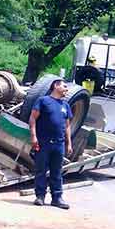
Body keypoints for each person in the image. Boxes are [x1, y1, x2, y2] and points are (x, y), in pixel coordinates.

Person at [29, 78, 73, 210]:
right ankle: (40, 196)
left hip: (59, 144)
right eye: (64, 86)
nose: (67, 89)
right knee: (41, 170)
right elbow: (32, 118)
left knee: (57, 172)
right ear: (56, 86)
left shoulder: (66, 106)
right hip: (43, 143)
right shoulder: (43, 101)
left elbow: (67, 126)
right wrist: (33, 137)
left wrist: (69, 143)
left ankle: (57, 198)